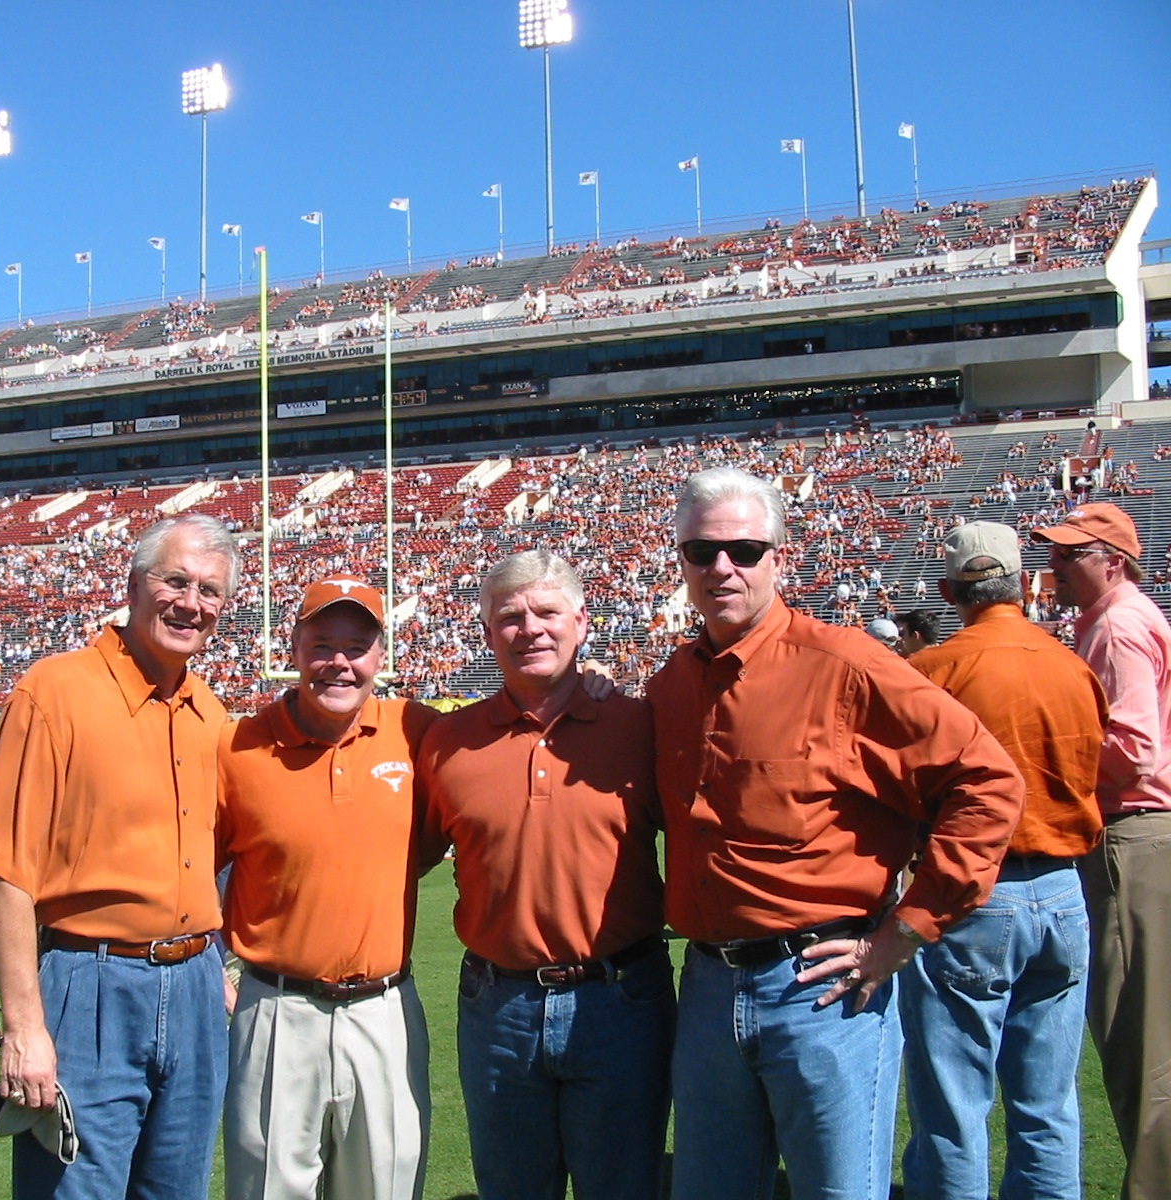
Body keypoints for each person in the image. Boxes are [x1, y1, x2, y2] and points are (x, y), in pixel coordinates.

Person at [646, 466, 1024, 1200]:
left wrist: (909, 928)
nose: (722, 567)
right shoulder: (673, 684)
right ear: (681, 562)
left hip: (821, 987)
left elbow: (987, 782)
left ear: (777, 558)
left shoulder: (846, 665)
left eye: (745, 550)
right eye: (701, 552)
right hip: (706, 986)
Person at [0, 514, 239, 1200]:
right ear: (135, 585)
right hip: (90, 980)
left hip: (197, 982)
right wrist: (23, 1026)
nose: (191, 602)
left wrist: (214, 965)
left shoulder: (211, 712)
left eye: (210, 592)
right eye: (175, 580)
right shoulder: (56, 691)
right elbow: (6, 868)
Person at [417, 550, 673, 1200]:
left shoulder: (639, 725)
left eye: (547, 611)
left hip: (620, 999)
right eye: (510, 616)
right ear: (486, 633)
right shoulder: (447, 743)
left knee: (622, 1187)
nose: (530, 627)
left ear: (582, 622)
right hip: (496, 1005)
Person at [902, 521, 1108, 1199]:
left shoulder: (936, 670)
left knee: (954, 1108)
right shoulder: (1071, 664)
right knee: (1049, 1106)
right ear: (1025, 584)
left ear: (947, 593)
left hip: (971, 893)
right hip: (1062, 890)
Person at [218, 576, 439, 1200]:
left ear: (379, 654)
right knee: (268, 1189)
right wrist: (212, 970)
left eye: (356, 644)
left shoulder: (416, 730)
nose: (338, 662)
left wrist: (583, 679)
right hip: (277, 1006)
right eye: (322, 643)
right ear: (292, 646)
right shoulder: (237, 747)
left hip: (385, 1005)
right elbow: (186, 867)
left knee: (387, 1187)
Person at [1032, 502, 1171, 1200]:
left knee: (1138, 1043)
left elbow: (1135, 754)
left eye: (1068, 553)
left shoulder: (1117, 627)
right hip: (1139, 839)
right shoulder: (1122, 619)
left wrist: (1051, 761)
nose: (1052, 565)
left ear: (1111, 560)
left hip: (1129, 837)